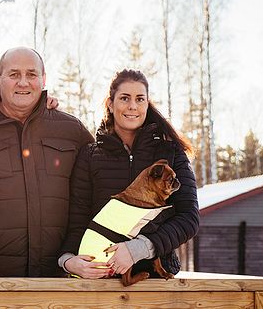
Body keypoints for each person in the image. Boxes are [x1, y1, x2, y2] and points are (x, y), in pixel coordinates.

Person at [0, 47, 94, 277]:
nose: (23, 82)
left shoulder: (70, 130)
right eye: (14, 74)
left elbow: (98, 190)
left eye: (32, 75)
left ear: (44, 80)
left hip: (57, 279)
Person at [60, 69, 199, 279]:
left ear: (147, 103)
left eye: (139, 99)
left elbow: (189, 219)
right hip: (102, 281)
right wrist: (68, 260)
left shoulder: (170, 152)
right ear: (110, 103)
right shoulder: (90, 156)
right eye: (125, 98)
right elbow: (78, 219)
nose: (132, 106)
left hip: (156, 281)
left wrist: (138, 249)